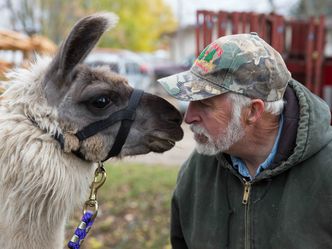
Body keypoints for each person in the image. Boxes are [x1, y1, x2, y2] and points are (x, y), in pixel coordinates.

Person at [157, 32, 332, 249]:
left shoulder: (326, 172)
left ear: (252, 111)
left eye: (204, 104)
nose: (189, 117)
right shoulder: (197, 171)